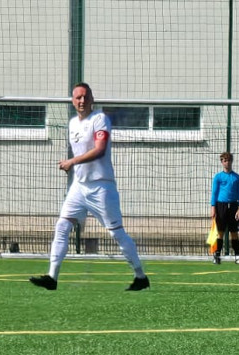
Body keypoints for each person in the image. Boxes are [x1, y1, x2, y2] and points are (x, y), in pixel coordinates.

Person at [29, 83, 149, 292]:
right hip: (79, 186)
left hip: (101, 187)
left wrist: (72, 162)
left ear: (92, 98)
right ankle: (52, 277)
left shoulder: (100, 119)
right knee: (62, 226)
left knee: (116, 234)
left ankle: (140, 276)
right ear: (73, 101)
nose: (81, 101)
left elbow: (100, 150)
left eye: (85, 97)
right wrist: (72, 166)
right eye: (77, 98)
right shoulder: (72, 123)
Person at [210, 151, 239, 265]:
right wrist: (213, 208)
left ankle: (237, 256)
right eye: (225, 161)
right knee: (220, 232)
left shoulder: (237, 178)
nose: (227, 163)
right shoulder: (218, 177)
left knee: (234, 232)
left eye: (229, 160)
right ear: (222, 162)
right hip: (221, 206)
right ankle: (216, 255)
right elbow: (214, 193)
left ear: (232, 161)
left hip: (233, 206)